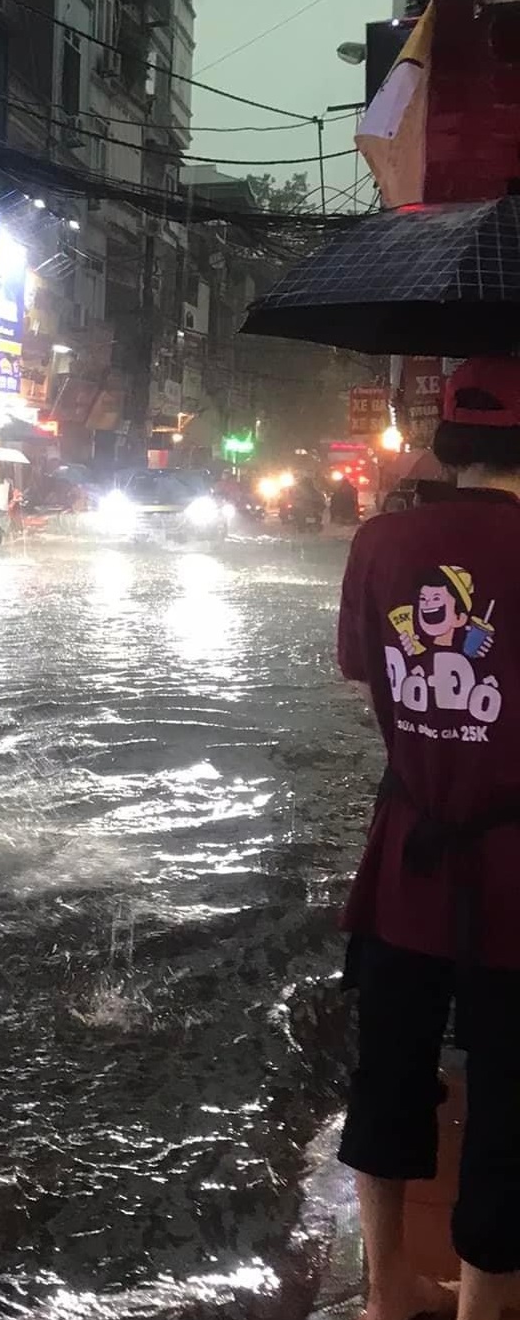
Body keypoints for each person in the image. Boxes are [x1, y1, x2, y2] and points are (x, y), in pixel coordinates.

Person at [336, 357, 520, 1320]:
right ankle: (483, 1304)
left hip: (405, 862)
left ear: (447, 442)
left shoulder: (378, 540)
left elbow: (365, 675)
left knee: (388, 1071)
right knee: (509, 1098)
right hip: (514, 878)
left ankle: (386, 1289)